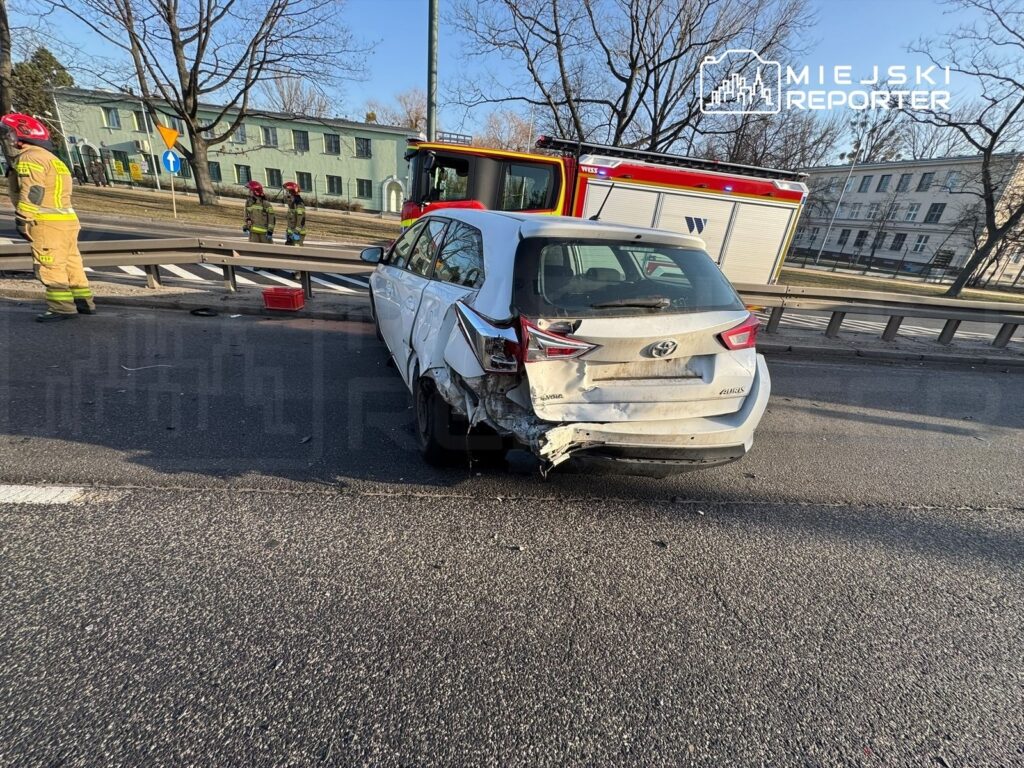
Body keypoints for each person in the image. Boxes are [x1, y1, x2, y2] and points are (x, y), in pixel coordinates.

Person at [3, 113, 95, 322]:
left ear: (22, 134)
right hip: (67, 220)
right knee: (72, 263)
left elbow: (33, 191)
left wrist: (23, 218)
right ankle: (84, 302)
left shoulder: (29, 157)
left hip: (47, 222)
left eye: (10, 133)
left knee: (50, 265)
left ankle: (62, 308)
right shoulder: (53, 159)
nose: (9, 138)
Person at [282, 181, 306, 247]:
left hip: (297, 233)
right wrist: (288, 232)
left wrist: (296, 232)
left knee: (297, 250)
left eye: (287, 191)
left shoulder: (298, 203)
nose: (286, 194)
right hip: (291, 233)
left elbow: (301, 219)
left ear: (292, 192)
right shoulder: (291, 204)